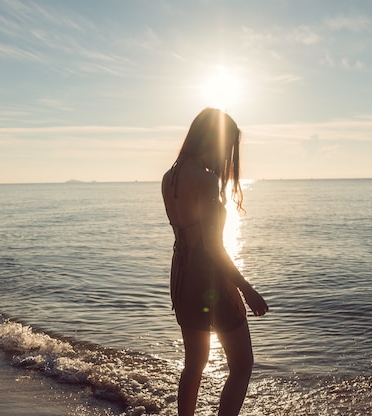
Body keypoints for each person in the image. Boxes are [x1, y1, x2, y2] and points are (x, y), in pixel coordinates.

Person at [161, 108, 269, 416]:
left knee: (194, 365)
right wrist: (247, 290)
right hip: (210, 281)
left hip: (182, 277)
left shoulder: (170, 177)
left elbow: (189, 238)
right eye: (227, 146)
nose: (227, 155)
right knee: (242, 365)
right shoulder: (205, 180)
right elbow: (212, 249)